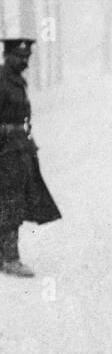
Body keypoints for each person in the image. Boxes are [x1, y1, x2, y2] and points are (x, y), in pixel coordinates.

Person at [0, 37, 61, 277]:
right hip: (6, 150)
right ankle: (10, 259)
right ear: (7, 56)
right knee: (10, 201)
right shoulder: (3, 80)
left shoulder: (16, 81)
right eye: (20, 57)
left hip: (19, 148)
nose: (25, 62)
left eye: (27, 58)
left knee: (15, 199)